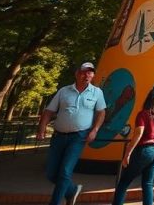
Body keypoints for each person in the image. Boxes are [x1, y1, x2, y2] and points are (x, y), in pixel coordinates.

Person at [37, 62, 106, 205]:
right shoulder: (64, 91)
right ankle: (72, 190)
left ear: (93, 75)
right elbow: (49, 111)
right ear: (77, 73)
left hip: (78, 137)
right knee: (51, 174)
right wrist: (42, 128)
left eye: (90, 72)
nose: (87, 75)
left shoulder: (97, 92)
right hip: (58, 136)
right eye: (84, 72)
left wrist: (94, 130)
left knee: (65, 172)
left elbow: (101, 112)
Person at [111, 90, 154, 205]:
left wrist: (127, 154)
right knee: (148, 183)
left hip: (144, 151)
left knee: (124, 182)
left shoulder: (143, 114)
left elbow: (138, 134)